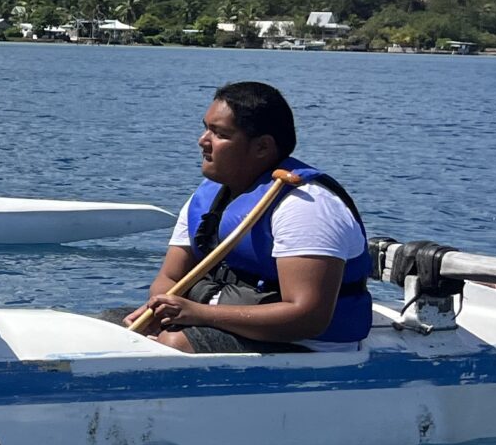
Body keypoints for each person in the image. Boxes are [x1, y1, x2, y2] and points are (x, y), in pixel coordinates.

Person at [130, 80, 372, 353]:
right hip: (213, 319)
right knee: (110, 325)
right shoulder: (210, 196)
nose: (203, 140)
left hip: (306, 345)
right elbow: (169, 278)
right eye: (206, 128)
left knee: (173, 344)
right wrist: (159, 311)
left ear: (262, 148)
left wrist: (199, 314)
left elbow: (307, 317)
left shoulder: (306, 206)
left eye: (220, 134)